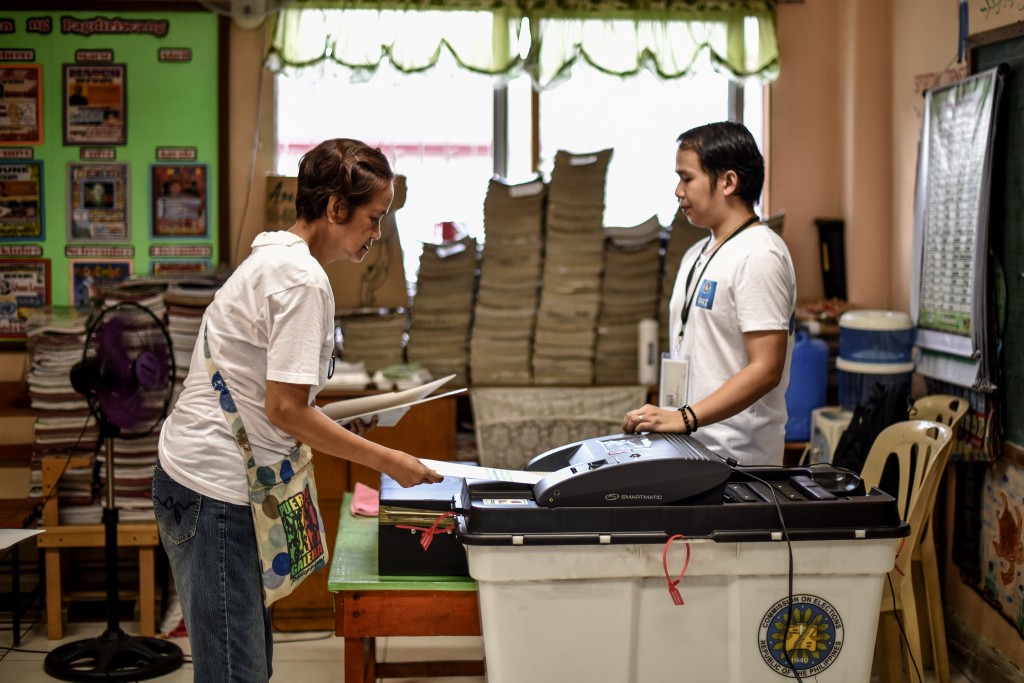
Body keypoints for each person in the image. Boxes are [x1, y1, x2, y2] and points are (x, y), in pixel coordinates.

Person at [153, 138, 442, 682]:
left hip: (197, 478)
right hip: (215, 490)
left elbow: (276, 400)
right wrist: (389, 460)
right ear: (335, 208)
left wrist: (329, 420)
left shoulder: (275, 258)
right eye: (373, 219)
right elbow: (285, 409)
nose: (377, 235)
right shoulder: (301, 280)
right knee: (236, 673)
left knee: (245, 665)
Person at [622, 121, 797, 466]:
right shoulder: (697, 253)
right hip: (689, 447)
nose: (677, 190)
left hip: (738, 459)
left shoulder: (759, 255)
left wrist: (685, 417)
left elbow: (766, 368)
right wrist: (671, 419)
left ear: (729, 181)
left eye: (687, 178)